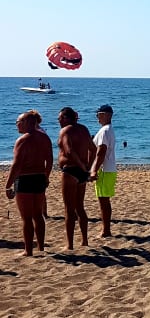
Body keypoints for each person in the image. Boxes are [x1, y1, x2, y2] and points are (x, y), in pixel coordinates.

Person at [4, 111, 53, 256]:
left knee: (26, 217)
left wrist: (8, 185)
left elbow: (16, 165)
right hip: (39, 177)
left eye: (18, 122)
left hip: (25, 179)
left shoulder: (23, 140)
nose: (16, 125)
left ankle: (28, 250)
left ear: (27, 122)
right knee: (38, 214)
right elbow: (50, 159)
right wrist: (46, 176)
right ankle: (41, 247)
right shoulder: (44, 137)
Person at [57, 107, 96, 250]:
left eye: (60, 118)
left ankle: (70, 244)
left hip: (70, 170)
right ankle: (85, 240)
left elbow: (69, 151)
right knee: (80, 207)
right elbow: (93, 149)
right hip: (81, 172)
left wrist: (81, 165)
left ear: (66, 118)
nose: (59, 121)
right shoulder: (83, 129)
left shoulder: (66, 130)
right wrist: (87, 167)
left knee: (69, 209)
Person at [90, 105, 117, 238]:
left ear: (107, 115)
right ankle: (106, 229)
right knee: (104, 200)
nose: (97, 117)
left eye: (99, 114)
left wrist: (94, 170)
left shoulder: (105, 131)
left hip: (105, 170)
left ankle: (106, 230)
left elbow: (101, 152)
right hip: (109, 169)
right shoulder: (108, 130)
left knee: (103, 201)